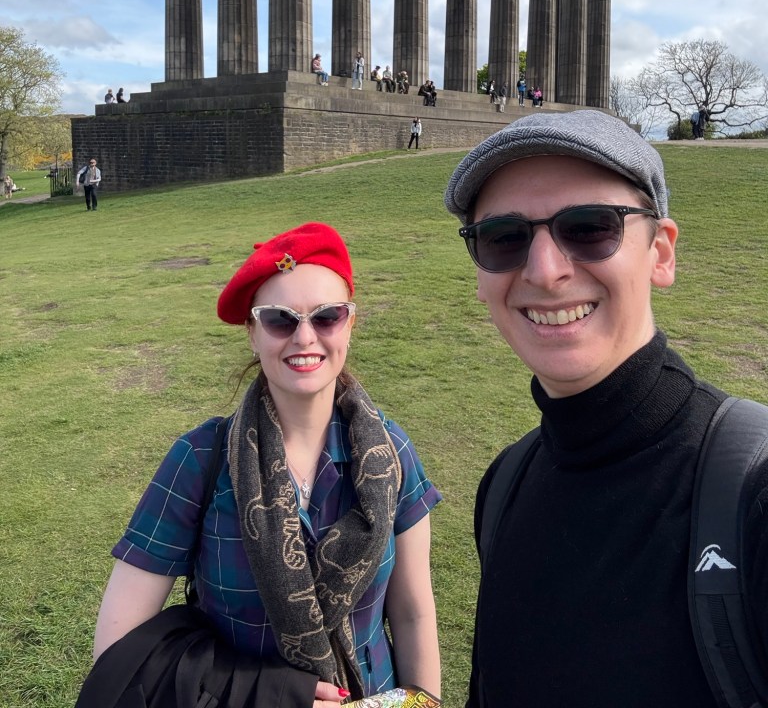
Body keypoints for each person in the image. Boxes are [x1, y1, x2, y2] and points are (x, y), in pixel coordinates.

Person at [444, 109, 768, 708]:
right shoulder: (504, 483)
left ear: (661, 254)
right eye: (505, 238)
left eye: (590, 226)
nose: (545, 272)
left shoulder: (753, 494)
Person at [92, 222, 442, 706]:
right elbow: (117, 646)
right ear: (252, 333)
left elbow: (412, 612)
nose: (304, 337)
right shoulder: (200, 459)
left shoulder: (392, 452)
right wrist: (265, 693)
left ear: (349, 325)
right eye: (280, 319)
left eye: (327, 316)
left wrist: (424, 700)